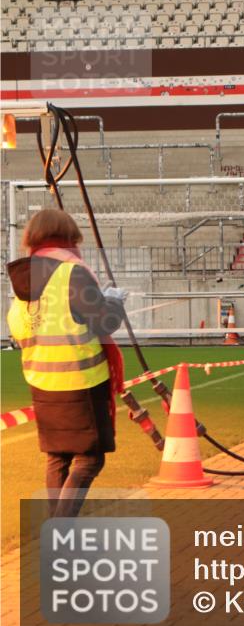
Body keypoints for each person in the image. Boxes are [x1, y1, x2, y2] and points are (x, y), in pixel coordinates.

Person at [6, 209, 128, 518]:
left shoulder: (25, 279)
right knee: (90, 459)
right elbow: (105, 322)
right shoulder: (70, 272)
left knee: (57, 458)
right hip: (81, 381)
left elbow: (19, 328)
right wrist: (113, 300)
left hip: (41, 381)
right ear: (69, 237)